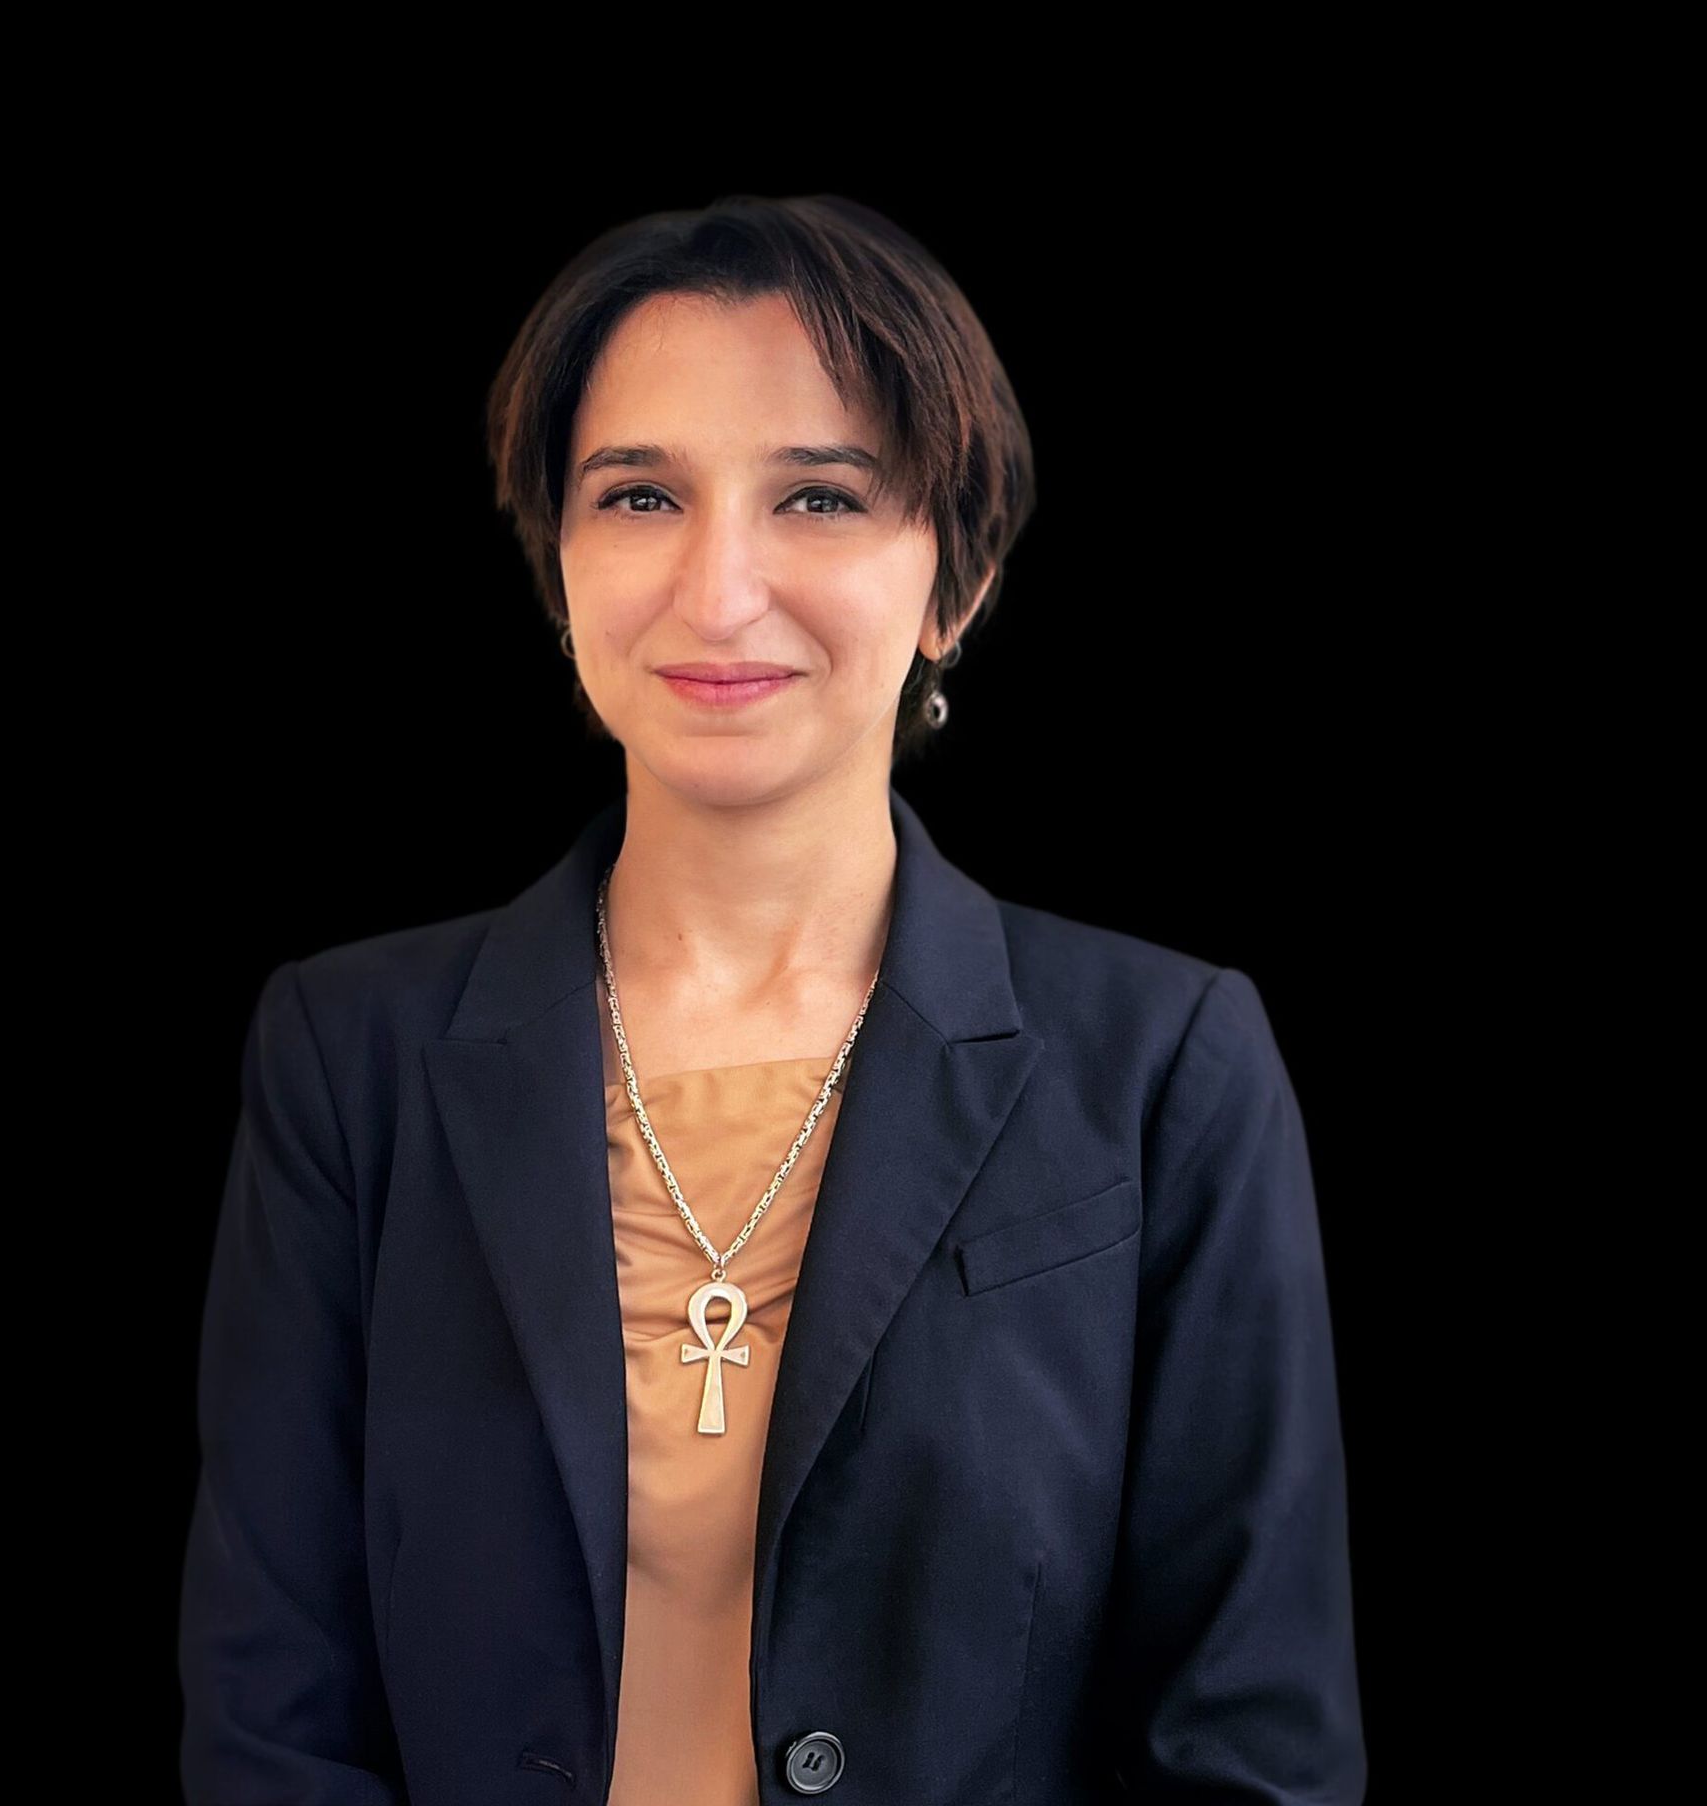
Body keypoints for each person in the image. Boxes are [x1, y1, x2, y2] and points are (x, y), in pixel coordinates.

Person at [178, 193, 1367, 1804]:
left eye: (819, 496)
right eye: (641, 495)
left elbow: (1255, 1740)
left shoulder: (1163, 1069)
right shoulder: (350, 1062)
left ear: (959, 582)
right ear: (561, 570)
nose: (718, 588)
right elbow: (272, 1722)